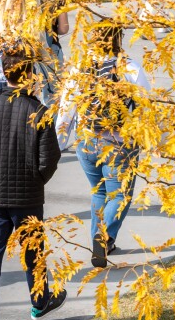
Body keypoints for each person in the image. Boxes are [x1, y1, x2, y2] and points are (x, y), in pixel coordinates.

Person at [0, 43, 65, 320]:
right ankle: (39, 302)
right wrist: (36, 181)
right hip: (28, 198)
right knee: (33, 253)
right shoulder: (38, 111)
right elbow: (49, 160)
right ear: (30, 75)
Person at [56, 22, 150, 267]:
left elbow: (66, 109)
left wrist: (60, 141)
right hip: (119, 144)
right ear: (119, 39)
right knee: (120, 195)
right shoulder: (129, 67)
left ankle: (103, 243)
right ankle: (103, 235)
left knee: (98, 192)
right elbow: (146, 107)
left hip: (87, 142)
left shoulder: (80, 68)